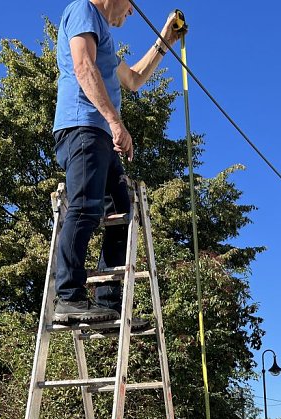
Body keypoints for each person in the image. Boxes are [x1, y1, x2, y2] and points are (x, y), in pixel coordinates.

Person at [53, 0, 185, 324]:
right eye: (131, 6)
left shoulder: (106, 38)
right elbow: (84, 66)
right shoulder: (83, 10)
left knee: (122, 213)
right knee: (85, 206)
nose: (131, 13)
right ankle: (68, 297)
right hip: (82, 126)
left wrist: (166, 39)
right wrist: (115, 121)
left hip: (99, 135)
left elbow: (135, 78)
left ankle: (108, 303)